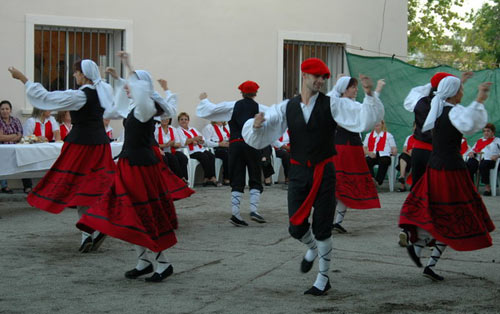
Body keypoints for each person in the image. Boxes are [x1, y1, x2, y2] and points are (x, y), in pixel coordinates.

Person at [242, 58, 384, 295]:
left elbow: (363, 119)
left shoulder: (333, 104)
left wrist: (370, 95)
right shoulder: (287, 107)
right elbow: (267, 130)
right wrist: (256, 126)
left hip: (325, 172)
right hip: (298, 173)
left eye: (324, 78)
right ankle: (312, 248)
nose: (320, 81)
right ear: (304, 76)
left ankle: (323, 278)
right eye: (316, 76)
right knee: (295, 228)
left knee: (322, 228)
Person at [77, 52, 194, 282]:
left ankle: (163, 262)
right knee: (127, 212)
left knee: (141, 212)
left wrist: (129, 66)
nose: (127, 88)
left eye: (132, 85)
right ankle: (143, 261)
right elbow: (126, 99)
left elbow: (141, 95)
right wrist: (119, 77)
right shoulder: (136, 108)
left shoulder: (145, 108)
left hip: (140, 168)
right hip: (130, 165)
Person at [8, 60, 116, 253]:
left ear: (83, 75)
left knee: (77, 187)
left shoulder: (80, 95)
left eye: (75, 73)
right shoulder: (103, 91)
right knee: (94, 188)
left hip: (82, 146)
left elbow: (46, 98)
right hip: (100, 145)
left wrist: (23, 79)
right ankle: (89, 232)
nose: (74, 76)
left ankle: (94, 229)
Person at [399, 77, 495, 281]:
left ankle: (421, 252)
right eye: (460, 90)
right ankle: (421, 252)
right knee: (452, 214)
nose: (462, 93)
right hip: (451, 170)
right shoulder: (453, 112)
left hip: (435, 167)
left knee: (444, 214)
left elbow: (466, 120)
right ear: (453, 93)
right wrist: (479, 99)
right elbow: (470, 123)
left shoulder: (437, 109)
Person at [399, 71, 473, 247]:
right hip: (436, 155)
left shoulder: (420, 102)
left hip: (418, 152)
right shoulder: (443, 107)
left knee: (417, 193)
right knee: (437, 195)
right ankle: (431, 232)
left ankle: (410, 230)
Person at [197, 81, 268, 226]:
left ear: (241, 92)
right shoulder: (260, 108)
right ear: (255, 93)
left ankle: (236, 214)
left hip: (235, 144)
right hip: (251, 144)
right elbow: (275, 117)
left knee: (237, 176)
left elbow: (212, 109)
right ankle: (254, 210)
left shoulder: (232, 105)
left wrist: (204, 99)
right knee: (255, 175)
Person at [329, 76, 383, 234]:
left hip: (351, 146)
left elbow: (369, 110)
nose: (355, 89)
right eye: (352, 87)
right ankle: (331, 220)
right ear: (344, 89)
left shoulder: (355, 104)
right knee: (340, 183)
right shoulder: (337, 102)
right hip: (343, 146)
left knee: (346, 184)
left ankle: (336, 221)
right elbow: (368, 110)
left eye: (355, 87)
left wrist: (372, 91)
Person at [177, 112, 218, 187]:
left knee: (211, 156)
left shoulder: (193, 129)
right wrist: (193, 139)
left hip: (199, 149)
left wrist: (200, 141)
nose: (184, 121)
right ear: (179, 121)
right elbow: (183, 142)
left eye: (186, 119)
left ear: (188, 121)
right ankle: (211, 177)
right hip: (190, 151)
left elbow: (202, 138)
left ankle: (206, 178)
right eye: (181, 119)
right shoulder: (178, 130)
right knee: (204, 157)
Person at [0, 100, 33, 194]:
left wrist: (8, 137)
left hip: (16, 147)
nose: (4, 111)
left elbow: (20, 135)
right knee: (2, 162)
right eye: (2, 109)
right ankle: (4, 186)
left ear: (10, 110)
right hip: (3, 148)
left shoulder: (15, 120)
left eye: (7, 109)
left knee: (24, 161)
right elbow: (0, 137)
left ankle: (27, 186)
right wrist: (14, 136)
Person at [466, 123, 500, 196]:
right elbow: (473, 150)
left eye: (488, 131)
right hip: (478, 159)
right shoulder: (480, 140)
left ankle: (488, 188)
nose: (486, 133)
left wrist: (497, 156)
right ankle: (471, 187)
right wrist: (471, 153)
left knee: (483, 165)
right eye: (484, 131)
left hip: (490, 160)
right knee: (469, 164)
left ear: (493, 132)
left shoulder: (497, 140)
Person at [363, 120, 397, 186]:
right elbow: (364, 148)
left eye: (378, 122)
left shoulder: (388, 135)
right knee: (366, 161)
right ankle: (371, 179)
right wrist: (369, 153)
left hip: (384, 155)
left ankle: (378, 181)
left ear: (382, 124)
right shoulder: (368, 135)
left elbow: (394, 148)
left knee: (384, 161)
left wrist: (394, 151)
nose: (376, 124)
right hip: (373, 154)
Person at [155, 116, 188, 182]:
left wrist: (172, 144)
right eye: (163, 118)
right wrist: (166, 145)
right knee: (173, 158)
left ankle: (185, 178)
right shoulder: (156, 129)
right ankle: (179, 179)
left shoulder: (173, 129)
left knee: (183, 158)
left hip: (172, 150)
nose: (165, 119)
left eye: (167, 118)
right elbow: (154, 144)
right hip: (161, 152)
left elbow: (178, 144)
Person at [396, 126, 415, 192]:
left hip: (418, 157)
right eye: (415, 127)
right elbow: (404, 149)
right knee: (403, 156)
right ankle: (402, 177)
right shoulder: (409, 137)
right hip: (409, 156)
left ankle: (402, 181)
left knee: (405, 159)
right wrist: (410, 154)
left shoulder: (423, 138)